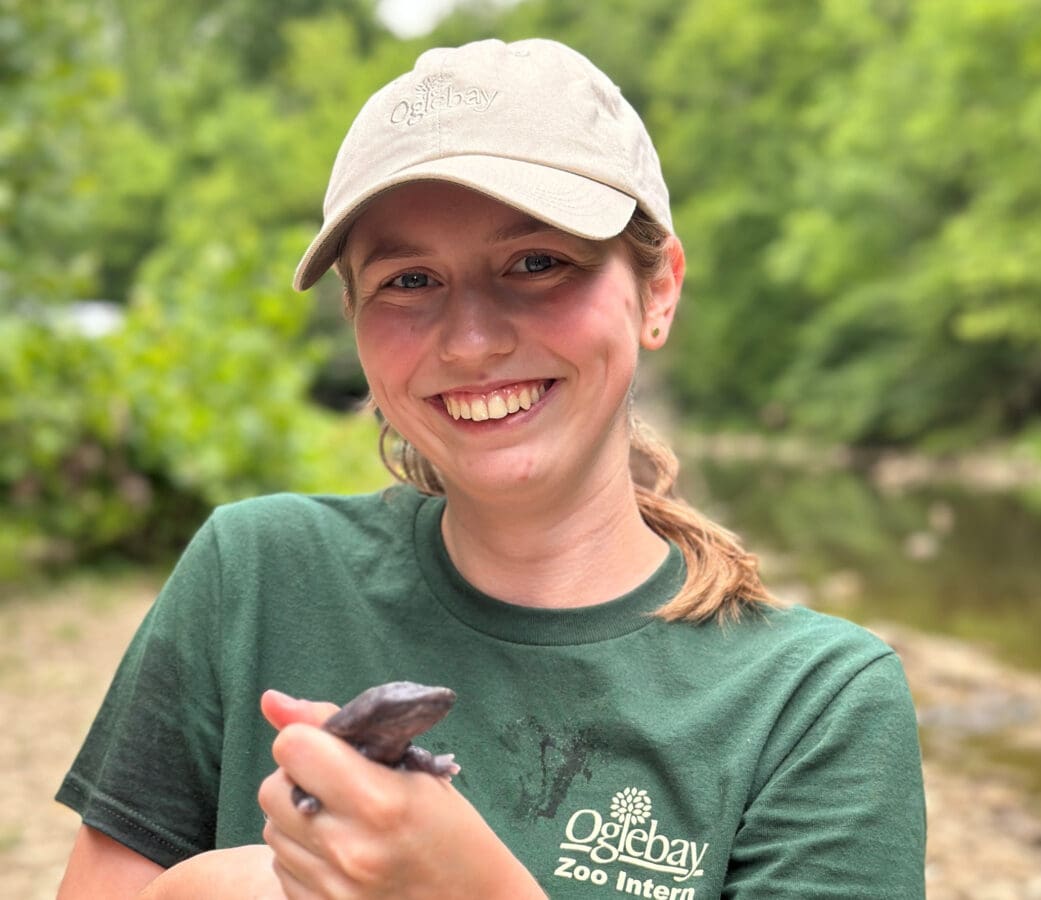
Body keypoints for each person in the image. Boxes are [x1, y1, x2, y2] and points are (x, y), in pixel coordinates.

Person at [55, 37, 926, 898]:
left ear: (657, 290)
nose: (472, 342)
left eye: (537, 263)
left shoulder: (816, 704)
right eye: (407, 280)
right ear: (355, 320)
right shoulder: (254, 572)